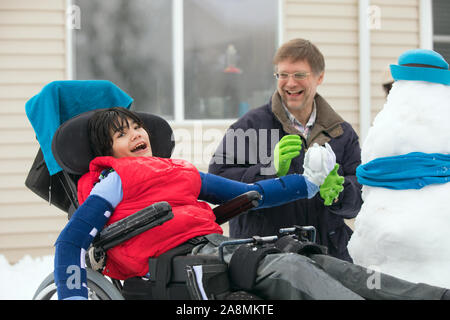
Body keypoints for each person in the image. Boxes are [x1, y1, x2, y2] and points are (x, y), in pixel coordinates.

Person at [53, 107, 361, 300]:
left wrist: (307, 184)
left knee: (314, 260)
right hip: (175, 261)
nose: (136, 134)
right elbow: (70, 241)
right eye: (122, 133)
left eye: (136, 127)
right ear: (108, 152)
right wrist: (72, 295)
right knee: (292, 268)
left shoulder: (177, 171)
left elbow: (249, 192)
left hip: (214, 246)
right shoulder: (114, 180)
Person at [208, 38, 363, 262]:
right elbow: (218, 185)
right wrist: (269, 171)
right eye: (283, 75)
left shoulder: (341, 133)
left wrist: (341, 192)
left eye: (299, 75)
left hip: (328, 258)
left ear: (319, 77)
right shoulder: (250, 126)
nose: (290, 83)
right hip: (265, 259)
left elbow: (361, 199)